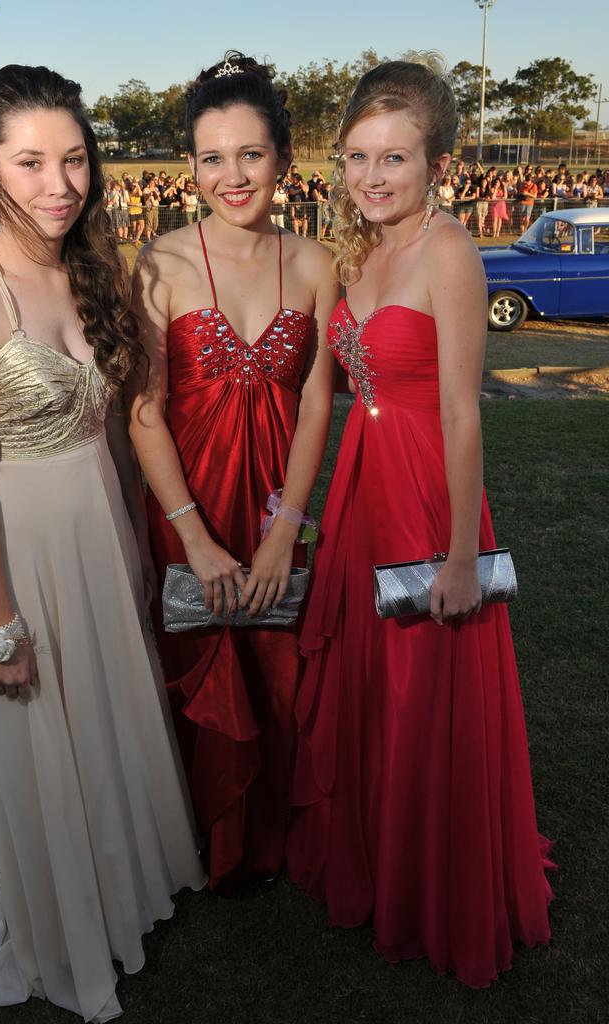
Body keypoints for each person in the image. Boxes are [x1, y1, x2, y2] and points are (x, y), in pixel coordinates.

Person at [0, 64, 205, 1022]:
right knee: (48, 755)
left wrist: (137, 545)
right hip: (19, 561)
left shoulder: (96, 272)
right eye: (33, 161)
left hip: (98, 538)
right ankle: (65, 934)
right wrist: (0, 626)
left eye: (75, 159)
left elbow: (124, 427)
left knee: (109, 733)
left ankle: (121, 897)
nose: (60, 184)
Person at [287, 56, 554, 988]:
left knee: (422, 689)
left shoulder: (449, 251)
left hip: (425, 494)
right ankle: (373, 845)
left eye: (393, 159)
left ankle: (432, 878)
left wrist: (458, 557)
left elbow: (461, 412)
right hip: (361, 486)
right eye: (357, 156)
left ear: (436, 161)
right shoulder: (362, 247)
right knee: (369, 683)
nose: (371, 177)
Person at [129, 51, 337, 890]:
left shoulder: (319, 264)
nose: (233, 175)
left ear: (283, 159)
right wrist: (192, 539)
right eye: (212, 157)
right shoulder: (162, 265)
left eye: (250, 154)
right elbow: (144, 410)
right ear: (190, 167)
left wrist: (288, 527)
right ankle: (202, 839)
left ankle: (274, 836)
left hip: (273, 509)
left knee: (279, 671)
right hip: (189, 507)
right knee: (197, 672)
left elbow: (319, 405)